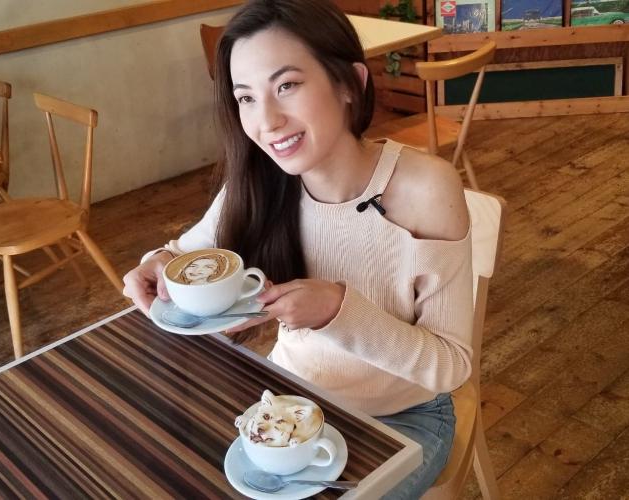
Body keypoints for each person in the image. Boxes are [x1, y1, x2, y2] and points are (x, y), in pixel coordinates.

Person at [123, 0, 473, 497]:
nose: (265, 121)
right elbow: (181, 254)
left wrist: (338, 311)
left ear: (349, 83)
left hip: (405, 418)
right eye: (245, 97)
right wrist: (154, 264)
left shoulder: (426, 188)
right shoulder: (262, 181)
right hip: (287, 400)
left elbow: (451, 365)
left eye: (287, 85)